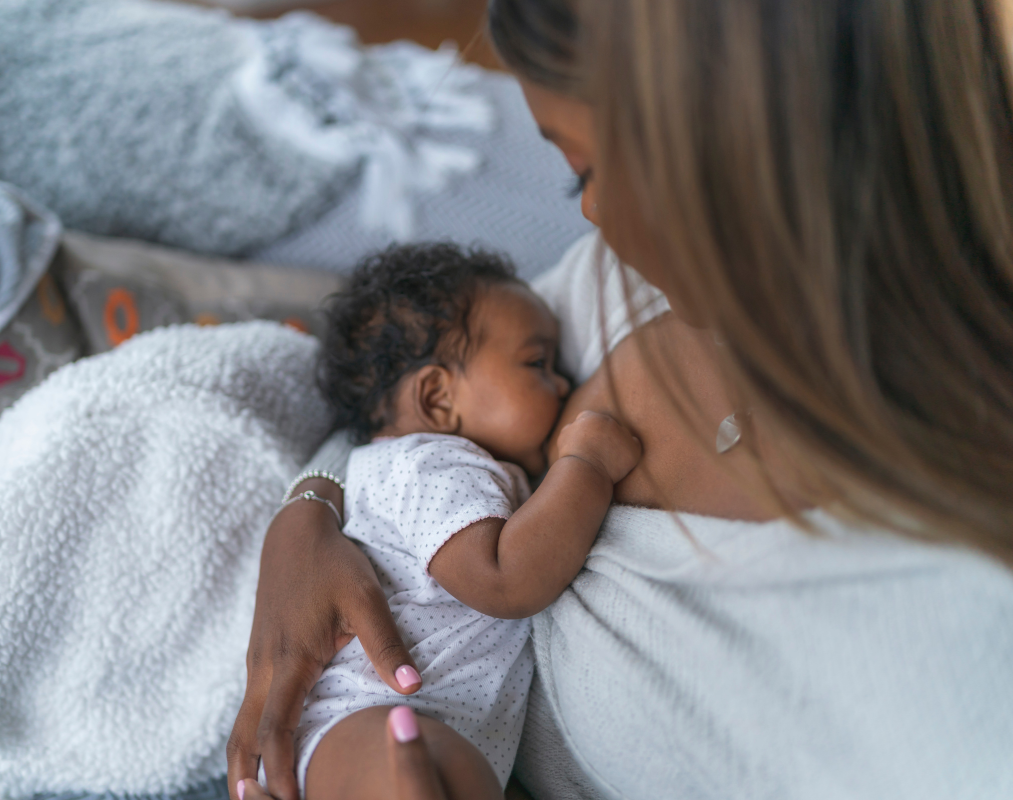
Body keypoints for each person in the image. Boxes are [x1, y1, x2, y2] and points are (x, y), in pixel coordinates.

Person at [228, 0, 1013, 799]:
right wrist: (306, 516)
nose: (591, 215)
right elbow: (400, 409)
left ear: (729, 132)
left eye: (587, 170)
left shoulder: (952, 640)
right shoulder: (618, 286)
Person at [287, 243, 640, 798]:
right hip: (367, 714)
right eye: (537, 364)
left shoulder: (426, 468)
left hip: (404, 724)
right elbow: (505, 577)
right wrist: (588, 466)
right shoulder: (434, 464)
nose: (565, 384)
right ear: (437, 397)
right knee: (429, 772)